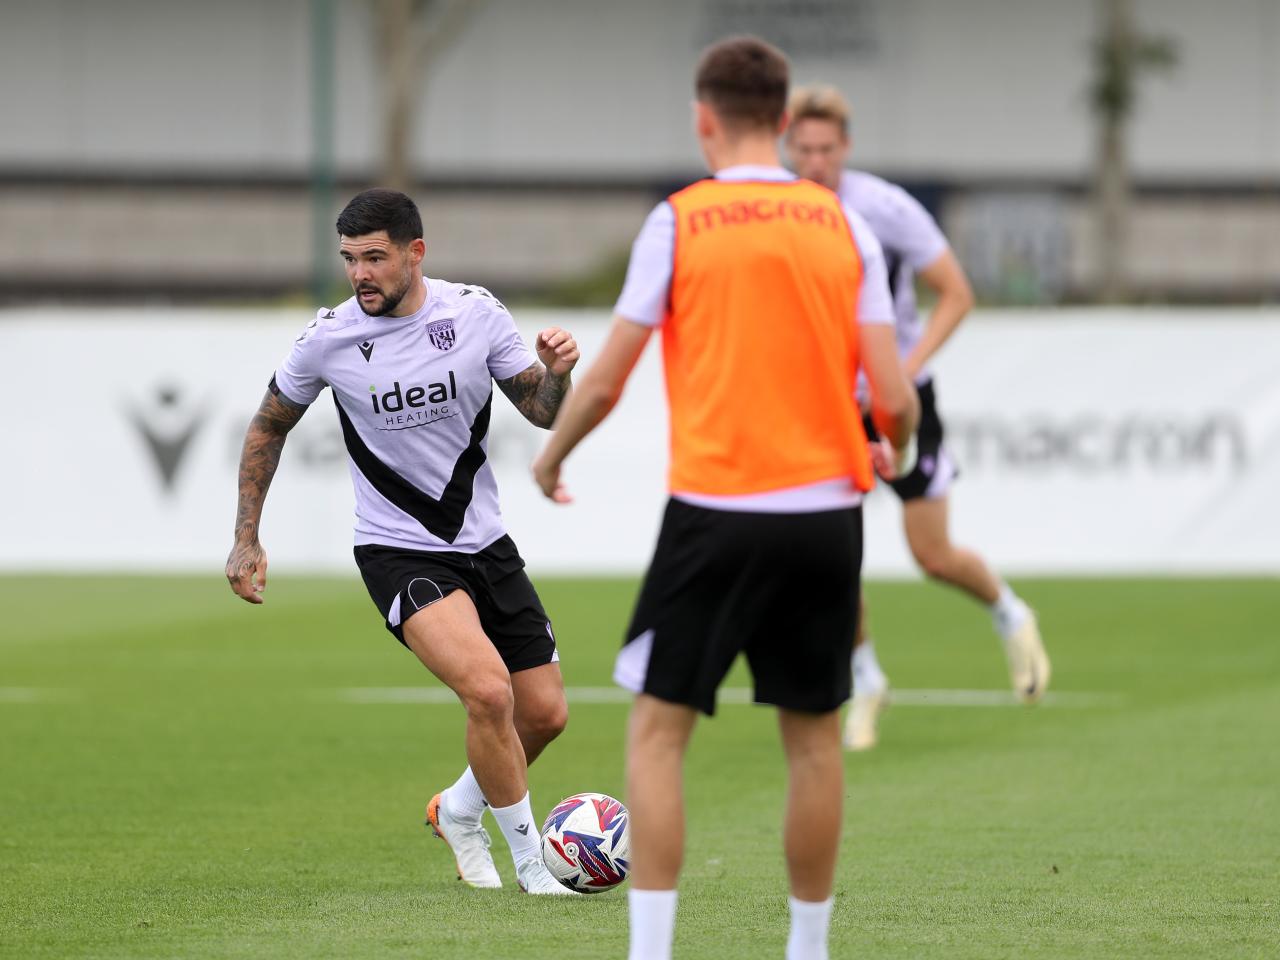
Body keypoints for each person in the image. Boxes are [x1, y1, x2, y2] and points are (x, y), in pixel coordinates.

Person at [531, 37, 918, 960]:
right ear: (786, 122)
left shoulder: (680, 222)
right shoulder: (843, 226)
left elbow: (610, 375)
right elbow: (894, 396)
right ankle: (808, 949)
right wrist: (892, 445)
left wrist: (553, 455)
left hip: (718, 514)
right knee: (814, 745)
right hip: (827, 516)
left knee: (658, 738)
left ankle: (653, 952)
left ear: (704, 119)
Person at [224, 188, 580, 895]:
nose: (361, 274)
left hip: (485, 542)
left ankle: (458, 809)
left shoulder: (474, 314)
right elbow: (268, 424)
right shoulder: (328, 338)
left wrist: (560, 374)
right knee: (488, 692)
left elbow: (540, 411)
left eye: (376, 258)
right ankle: (534, 865)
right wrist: (246, 538)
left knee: (545, 713)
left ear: (416, 253)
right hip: (396, 549)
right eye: (351, 259)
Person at [785, 84, 1052, 751]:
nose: (815, 160)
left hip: (900, 400)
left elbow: (956, 293)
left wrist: (902, 370)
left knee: (932, 554)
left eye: (826, 148)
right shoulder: (780, 211)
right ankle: (866, 679)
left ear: (845, 146)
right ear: (788, 145)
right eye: (804, 148)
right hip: (824, 402)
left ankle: (1010, 613)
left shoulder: (886, 208)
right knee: (829, 556)